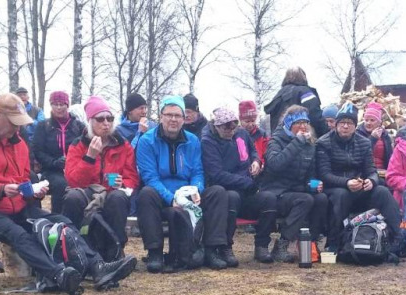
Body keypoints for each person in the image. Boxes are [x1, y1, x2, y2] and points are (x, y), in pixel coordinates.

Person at [0, 94, 136, 295]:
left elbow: (22, 179)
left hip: (16, 206)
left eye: (19, 124)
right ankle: (57, 274)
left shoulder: (19, 143)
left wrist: (31, 192)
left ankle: (98, 267)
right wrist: (1, 190)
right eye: (13, 123)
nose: (17, 129)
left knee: (61, 221)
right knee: (18, 234)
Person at [135, 95, 230, 272]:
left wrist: (195, 191)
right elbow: (150, 177)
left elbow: (198, 172)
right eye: (169, 114)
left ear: (183, 118)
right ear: (161, 116)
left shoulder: (193, 141)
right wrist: (172, 199)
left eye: (177, 115)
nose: (173, 119)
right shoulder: (146, 141)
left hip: (188, 194)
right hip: (162, 197)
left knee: (218, 192)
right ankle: (155, 252)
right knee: (146, 193)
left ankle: (211, 249)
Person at [62, 95, 139, 260]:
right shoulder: (78, 145)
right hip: (87, 192)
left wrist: (123, 183)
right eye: (100, 119)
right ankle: (75, 249)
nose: (106, 123)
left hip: (112, 192)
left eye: (110, 118)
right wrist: (90, 157)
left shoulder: (122, 145)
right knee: (73, 197)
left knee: (118, 197)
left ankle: (115, 250)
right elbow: (73, 181)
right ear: (90, 121)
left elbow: (132, 177)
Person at [317, 103, 401, 252]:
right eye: (342, 122)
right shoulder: (324, 143)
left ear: (355, 125)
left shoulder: (363, 142)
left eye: (349, 123)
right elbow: (324, 174)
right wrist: (346, 182)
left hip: (359, 186)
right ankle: (334, 242)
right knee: (341, 195)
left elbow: (371, 169)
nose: (345, 126)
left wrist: (371, 181)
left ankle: (398, 239)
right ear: (336, 125)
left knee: (382, 191)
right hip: (334, 188)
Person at [259, 105, 328, 262]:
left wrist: (314, 184)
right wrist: (297, 143)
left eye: (305, 122)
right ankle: (282, 244)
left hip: (297, 191)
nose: (303, 126)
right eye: (298, 123)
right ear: (289, 124)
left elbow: (309, 175)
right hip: (276, 193)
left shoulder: (310, 144)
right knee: (305, 199)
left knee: (321, 198)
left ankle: (310, 242)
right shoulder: (276, 140)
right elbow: (275, 165)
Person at [202, 107, 271, 264]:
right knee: (231, 197)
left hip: (247, 188)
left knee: (269, 199)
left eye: (234, 126)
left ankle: (262, 246)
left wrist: (256, 161)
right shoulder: (208, 142)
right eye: (226, 127)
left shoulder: (241, 133)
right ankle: (226, 247)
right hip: (228, 189)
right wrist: (246, 183)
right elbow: (217, 174)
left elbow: (253, 150)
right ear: (217, 126)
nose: (231, 131)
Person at [31, 91, 85, 213]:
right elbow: (37, 150)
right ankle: (58, 219)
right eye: (55, 104)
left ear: (67, 105)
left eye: (62, 104)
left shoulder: (78, 126)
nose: (59, 107)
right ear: (51, 105)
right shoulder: (43, 126)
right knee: (61, 184)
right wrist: (54, 162)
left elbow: (84, 148)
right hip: (51, 170)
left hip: (76, 168)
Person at [264, 66, 327, 137]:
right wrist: (326, 134)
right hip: (303, 138)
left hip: (280, 139)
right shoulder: (305, 92)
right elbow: (315, 116)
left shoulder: (278, 95)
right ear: (303, 77)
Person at [356, 102, 393, 173]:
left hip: (383, 171)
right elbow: (359, 156)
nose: (368, 123)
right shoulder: (358, 133)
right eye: (366, 120)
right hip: (366, 172)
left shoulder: (385, 135)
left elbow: (390, 156)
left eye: (372, 120)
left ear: (379, 122)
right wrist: (372, 139)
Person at [239, 100, 269, 165]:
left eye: (253, 121)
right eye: (247, 121)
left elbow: (267, 153)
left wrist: (262, 164)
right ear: (240, 120)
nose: (250, 124)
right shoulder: (236, 135)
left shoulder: (262, 134)